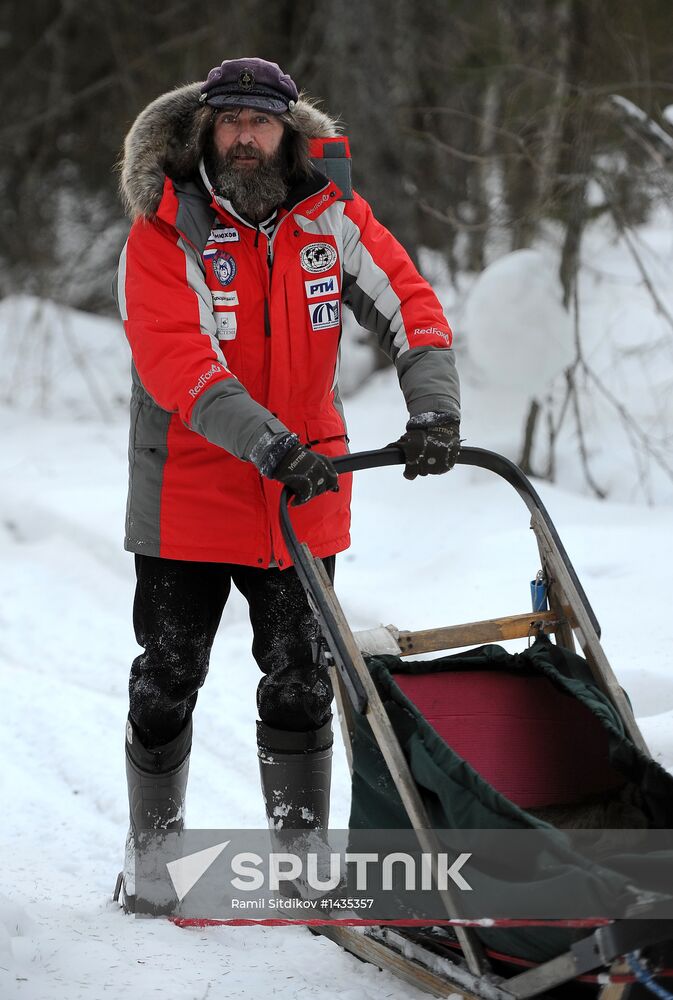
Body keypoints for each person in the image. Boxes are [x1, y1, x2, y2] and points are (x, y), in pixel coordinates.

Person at [113, 56, 461, 911]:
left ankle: (302, 866)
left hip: (305, 492)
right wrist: (267, 443)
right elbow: (178, 364)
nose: (242, 137)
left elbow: (408, 303)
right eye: (227, 120)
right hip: (189, 493)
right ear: (205, 129)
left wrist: (434, 410)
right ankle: (155, 862)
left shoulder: (331, 219)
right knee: (167, 677)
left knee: (302, 679)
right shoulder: (165, 230)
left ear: (288, 129)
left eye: (258, 121)